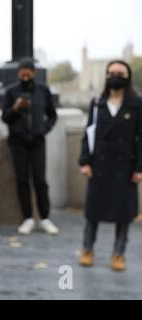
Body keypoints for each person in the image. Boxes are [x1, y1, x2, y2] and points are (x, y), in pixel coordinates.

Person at [78, 60, 142, 272]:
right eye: (112, 72)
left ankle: (119, 253)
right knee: (93, 211)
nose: (115, 76)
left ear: (128, 76)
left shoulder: (137, 104)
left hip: (125, 167)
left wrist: (139, 168)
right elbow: (89, 133)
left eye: (120, 72)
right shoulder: (97, 103)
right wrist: (85, 161)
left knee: (123, 214)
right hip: (100, 166)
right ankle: (87, 249)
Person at [2, 58, 59, 236]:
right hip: (18, 142)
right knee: (22, 180)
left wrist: (44, 129)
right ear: (19, 73)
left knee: (40, 180)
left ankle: (45, 218)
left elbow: (52, 115)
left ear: (33, 72)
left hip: (37, 141)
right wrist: (15, 108)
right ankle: (27, 218)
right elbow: (5, 117)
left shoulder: (42, 90)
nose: (25, 75)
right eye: (22, 71)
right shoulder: (11, 92)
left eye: (28, 71)